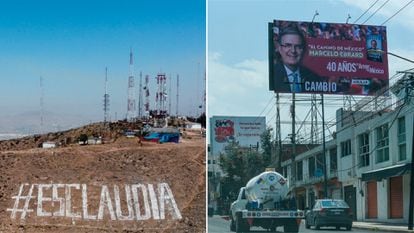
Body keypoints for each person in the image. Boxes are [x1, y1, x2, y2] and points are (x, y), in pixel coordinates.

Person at [272, 27, 322, 93]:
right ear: (279, 48)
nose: (293, 51)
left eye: (298, 46)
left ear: (303, 50)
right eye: (288, 45)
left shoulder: (314, 77)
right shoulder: (272, 75)